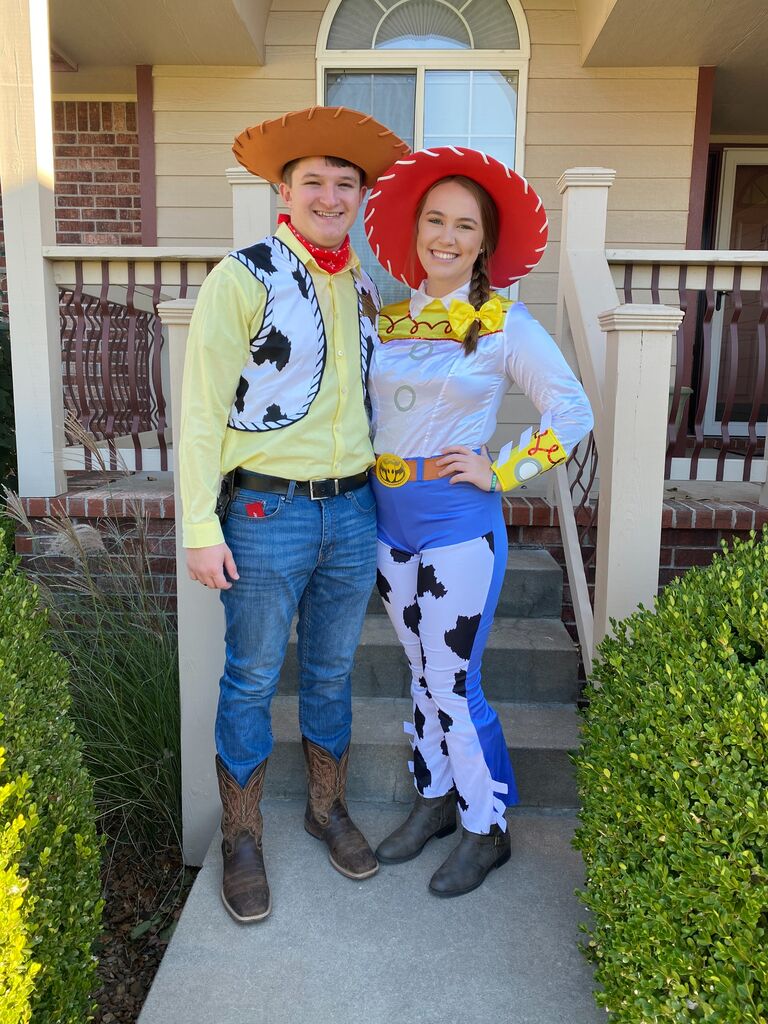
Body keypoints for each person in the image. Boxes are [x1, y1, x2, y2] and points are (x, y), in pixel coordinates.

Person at [178, 106, 410, 923]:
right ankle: (242, 837)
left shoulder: (367, 284)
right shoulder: (241, 275)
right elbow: (203, 409)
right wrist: (200, 527)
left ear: (360, 197)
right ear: (284, 189)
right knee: (249, 676)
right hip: (263, 507)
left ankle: (324, 809)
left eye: (346, 183)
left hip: (353, 512)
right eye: (314, 180)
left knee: (330, 672)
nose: (330, 194)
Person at [363, 148, 594, 898]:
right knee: (422, 676)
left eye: (465, 225)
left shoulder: (504, 321)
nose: (448, 236)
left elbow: (573, 411)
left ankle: (486, 828)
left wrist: (502, 469)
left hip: (460, 527)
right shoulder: (388, 319)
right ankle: (436, 799)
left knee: (456, 683)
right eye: (436, 220)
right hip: (388, 525)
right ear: (416, 228)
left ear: (484, 242)